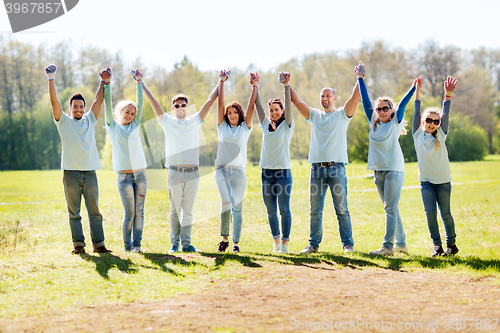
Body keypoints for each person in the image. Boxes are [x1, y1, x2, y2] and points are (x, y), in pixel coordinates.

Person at [142, 73, 220, 254]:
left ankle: (187, 244)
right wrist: (141, 83)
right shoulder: (167, 121)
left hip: (193, 172)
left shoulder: (195, 121)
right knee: (175, 210)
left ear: (187, 106)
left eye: (183, 105)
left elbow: (210, 101)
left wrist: (220, 82)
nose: (180, 108)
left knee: (189, 210)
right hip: (175, 172)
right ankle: (174, 244)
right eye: (176, 106)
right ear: (173, 107)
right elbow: (153, 102)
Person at [289, 68, 360, 254]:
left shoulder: (342, 115)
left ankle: (348, 245)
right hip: (317, 170)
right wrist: (287, 84)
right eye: (322, 96)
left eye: (328, 95)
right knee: (315, 211)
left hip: (336, 169)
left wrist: (360, 78)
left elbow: (354, 99)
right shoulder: (314, 115)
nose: (325, 98)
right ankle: (313, 245)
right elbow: (296, 101)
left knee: (342, 209)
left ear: (334, 99)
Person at [45, 64, 111, 254]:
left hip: (90, 173)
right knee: (74, 213)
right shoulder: (63, 121)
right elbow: (53, 101)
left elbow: (99, 99)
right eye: (75, 106)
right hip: (71, 173)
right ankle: (78, 246)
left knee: (95, 212)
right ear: (70, 108)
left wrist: (103, 81)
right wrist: (51, 77)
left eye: (81, 106)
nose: (79, 109)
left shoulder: (90, 119)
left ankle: (99, 245)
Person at [357, 62, 420, 256]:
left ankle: (387, 247)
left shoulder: (395, 122)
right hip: (378, 171)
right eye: (379, 109)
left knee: (390, 208)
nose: (382, 111)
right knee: (390, 208)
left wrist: (413, 87)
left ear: (391, 111)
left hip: (394, 170)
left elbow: (402, 104)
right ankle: (401, 244)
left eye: (385, 108)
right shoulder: (373, 123)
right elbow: (365, 99)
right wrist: (360, 78)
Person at [413, 76, 459, 256]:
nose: (432, 123)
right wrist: (416, 91)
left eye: (436, 121)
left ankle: (451, 246)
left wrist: (447, 95)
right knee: (430, 214)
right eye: (429, 120)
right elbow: (417, 110)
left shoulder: (441, 135)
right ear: (423, 122)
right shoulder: (417, 134)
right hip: (426, 182)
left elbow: (446, 114)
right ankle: (437, 246)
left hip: (443, 182)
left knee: (445, 214)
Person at [103, 67, 147, 253]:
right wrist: (107, 84)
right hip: (124, 178)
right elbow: (106, 104)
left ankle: (137, 245)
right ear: (120, 111)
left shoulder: (135, 125)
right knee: (129, 214)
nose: (129, 115)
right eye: (127, 112)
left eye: (132, 113)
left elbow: (141, 103)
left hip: (140, 175)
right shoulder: (112, 127)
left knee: (140, 213)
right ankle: (128, 246)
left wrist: (139, 83)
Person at [215, 70, 257, 253]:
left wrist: (254, 86)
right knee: (226, 202)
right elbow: (220, 103)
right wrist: (221, 82)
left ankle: (236, 243)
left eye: (235, 113)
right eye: (229, 113)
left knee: (237, 209)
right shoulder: (222, 127)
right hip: (222, 170)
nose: (232, 115)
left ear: (239, 114)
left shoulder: (245, 128)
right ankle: (224, 238)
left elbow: (251, 107)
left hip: (239, 172)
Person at [254, 72, 294, 253]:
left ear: (282, 111)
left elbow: (289, 105)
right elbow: (258, 105)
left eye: (277, 109)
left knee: (284, 209)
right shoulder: (264, 125)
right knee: (271, 210)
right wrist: (255, 85)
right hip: (266, 173)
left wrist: (286, 86)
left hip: (283, 173)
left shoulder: (287, 126)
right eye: (271, 110)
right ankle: (276, 242)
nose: (274, 112)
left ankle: (285, 243)